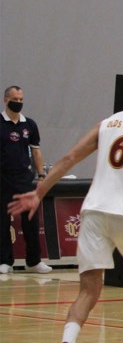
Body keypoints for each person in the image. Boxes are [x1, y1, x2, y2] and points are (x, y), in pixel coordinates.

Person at [7, 69, 123, 343]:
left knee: (88, 289)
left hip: (94, 211)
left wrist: (39, 192)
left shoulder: (107, 123)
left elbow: (71, 157)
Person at [1, 85, 51, 274]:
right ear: (6, 100)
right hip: (3, 178)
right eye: (15, 99)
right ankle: (5, 261)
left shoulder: (29, 124)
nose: (18, 103)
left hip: (24, 179)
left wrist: (41, 176)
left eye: (21, 100)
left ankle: (34, 261)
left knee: (30, 220)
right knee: (2, 221)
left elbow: (36, 151)